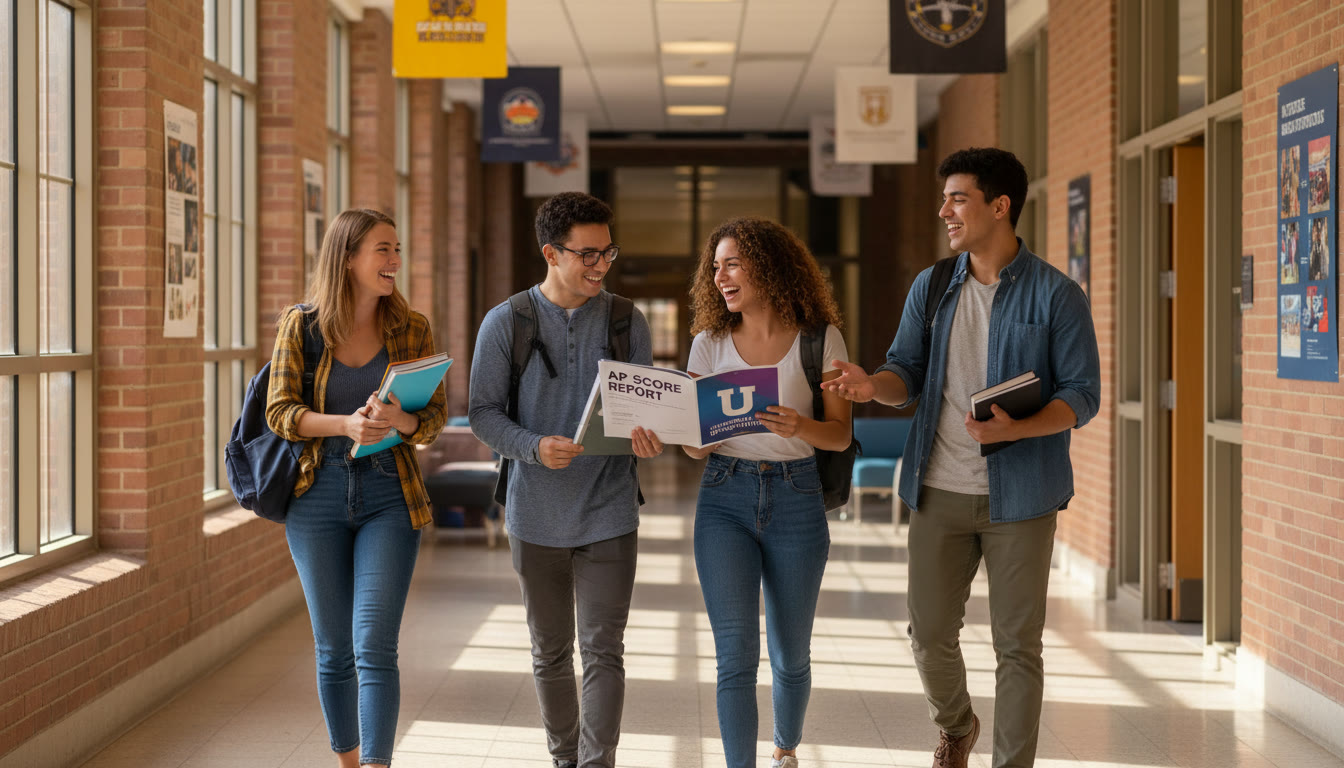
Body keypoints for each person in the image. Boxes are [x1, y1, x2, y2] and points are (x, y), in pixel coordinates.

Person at [824, 147, 1100, 768]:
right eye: (944, 197)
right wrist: (873, 386)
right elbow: (906, 371)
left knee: (1017, 647)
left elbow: (1082, 397)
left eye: (957, 198)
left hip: (1024, 496)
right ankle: (957, 724)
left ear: (999, 207)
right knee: (927, 634)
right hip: (939, 487)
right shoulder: (933, 286)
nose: (944, 210)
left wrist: (1020, 427)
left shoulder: (1057, 295)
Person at [468, 191, 662, 768]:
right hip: (534, 512)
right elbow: (482, 412)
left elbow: (644, 410)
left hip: (610, 508)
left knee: (603, 651)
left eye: (608, 253)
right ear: (551, 253)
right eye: (588, 255)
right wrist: (530, 446)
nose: (601, 266)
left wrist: (647, 438)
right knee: (550, 652)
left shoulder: (628, 320)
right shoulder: (506, 322)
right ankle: (564, 758)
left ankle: (597, 763)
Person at [265, 208, 447, 767]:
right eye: (382, 250)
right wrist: (345, 424)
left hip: (390, 493)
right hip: (316, 494)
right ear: (347, 258)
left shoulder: (412, 327)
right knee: (333, 649)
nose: (395, 261)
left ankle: (376, 764)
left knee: (373, 644)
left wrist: (399, 420)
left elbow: (434, 418)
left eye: (396, 250)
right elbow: (280, 412)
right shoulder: (303, 325)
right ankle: (347, 762)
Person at [682, 217, 852, 768]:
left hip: (798, 497)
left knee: (790, 655)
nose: (720, 277)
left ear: (767, 266)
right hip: (724, 498)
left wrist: (797, 426)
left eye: (732, 263)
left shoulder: (820, 339)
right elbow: (692, 450)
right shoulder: (707, 345)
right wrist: (694, 432)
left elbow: (840, 433)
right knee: (735, 655)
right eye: (715, 268)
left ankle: (785, 749)